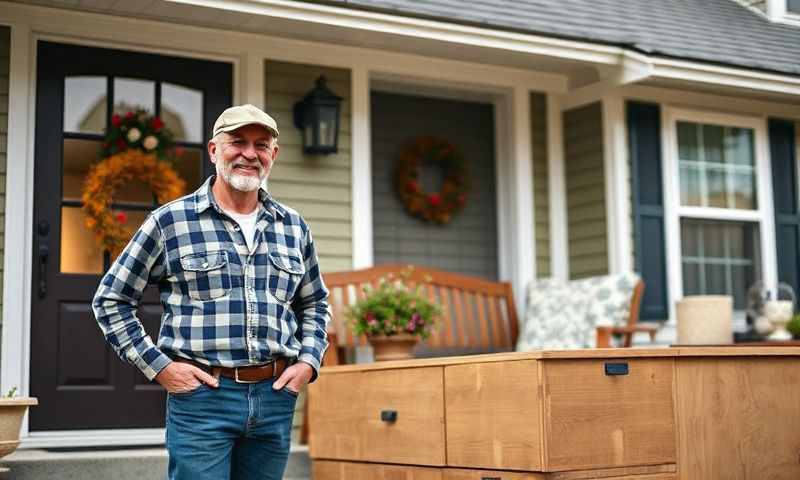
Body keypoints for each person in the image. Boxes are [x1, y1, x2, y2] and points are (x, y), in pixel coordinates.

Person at [93, 104, 330, 480]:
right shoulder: (170, 221)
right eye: (237, 142)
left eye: (261, 144)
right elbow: (111, 299)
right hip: (203, 398)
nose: (250, 154)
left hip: (275, 398)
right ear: (214, 150)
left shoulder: (293, 227)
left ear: (274, 155)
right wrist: (160, 368)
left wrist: (308, 363)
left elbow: (314, 302)